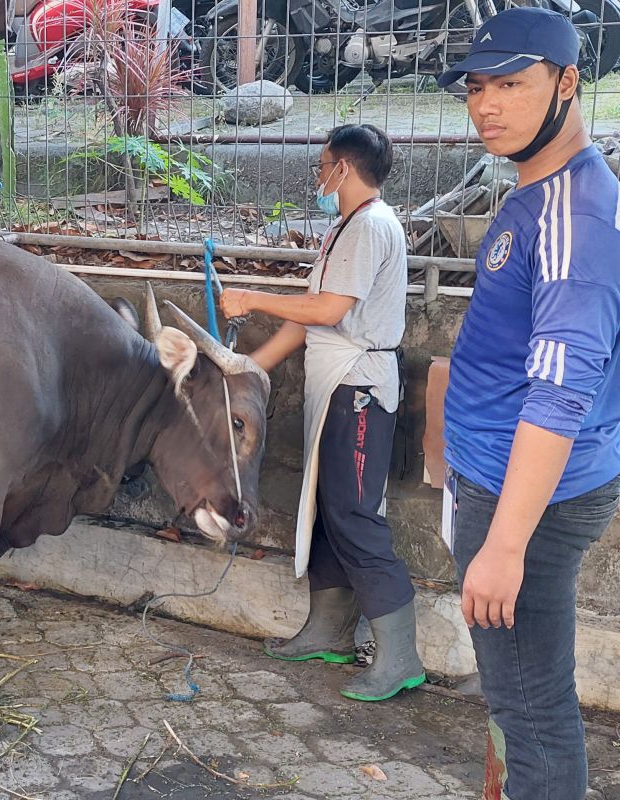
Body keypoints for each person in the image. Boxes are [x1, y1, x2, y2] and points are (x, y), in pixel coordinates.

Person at [436, 8, 620, 798]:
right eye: (477, 87)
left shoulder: (573, 214)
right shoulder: (542, 193)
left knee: (531, 709)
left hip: (528, 498)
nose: (487, 105)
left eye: (512, 83)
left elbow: (562, 385)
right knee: (522, 703)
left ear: (568, 83)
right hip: (507, 480)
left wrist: (505, 544)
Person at [219, 123, 424, 702]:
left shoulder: (370, 226)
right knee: (329, 510)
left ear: (344, 167)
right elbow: (307, 320)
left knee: (355, 515)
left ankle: (401, 658)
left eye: (322, 164)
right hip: (336, 383)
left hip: (357, 389)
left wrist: (252, 296)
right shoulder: (346, 228)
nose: (317, 174)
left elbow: (330, 308)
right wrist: (248, 369)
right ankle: (329, 631)